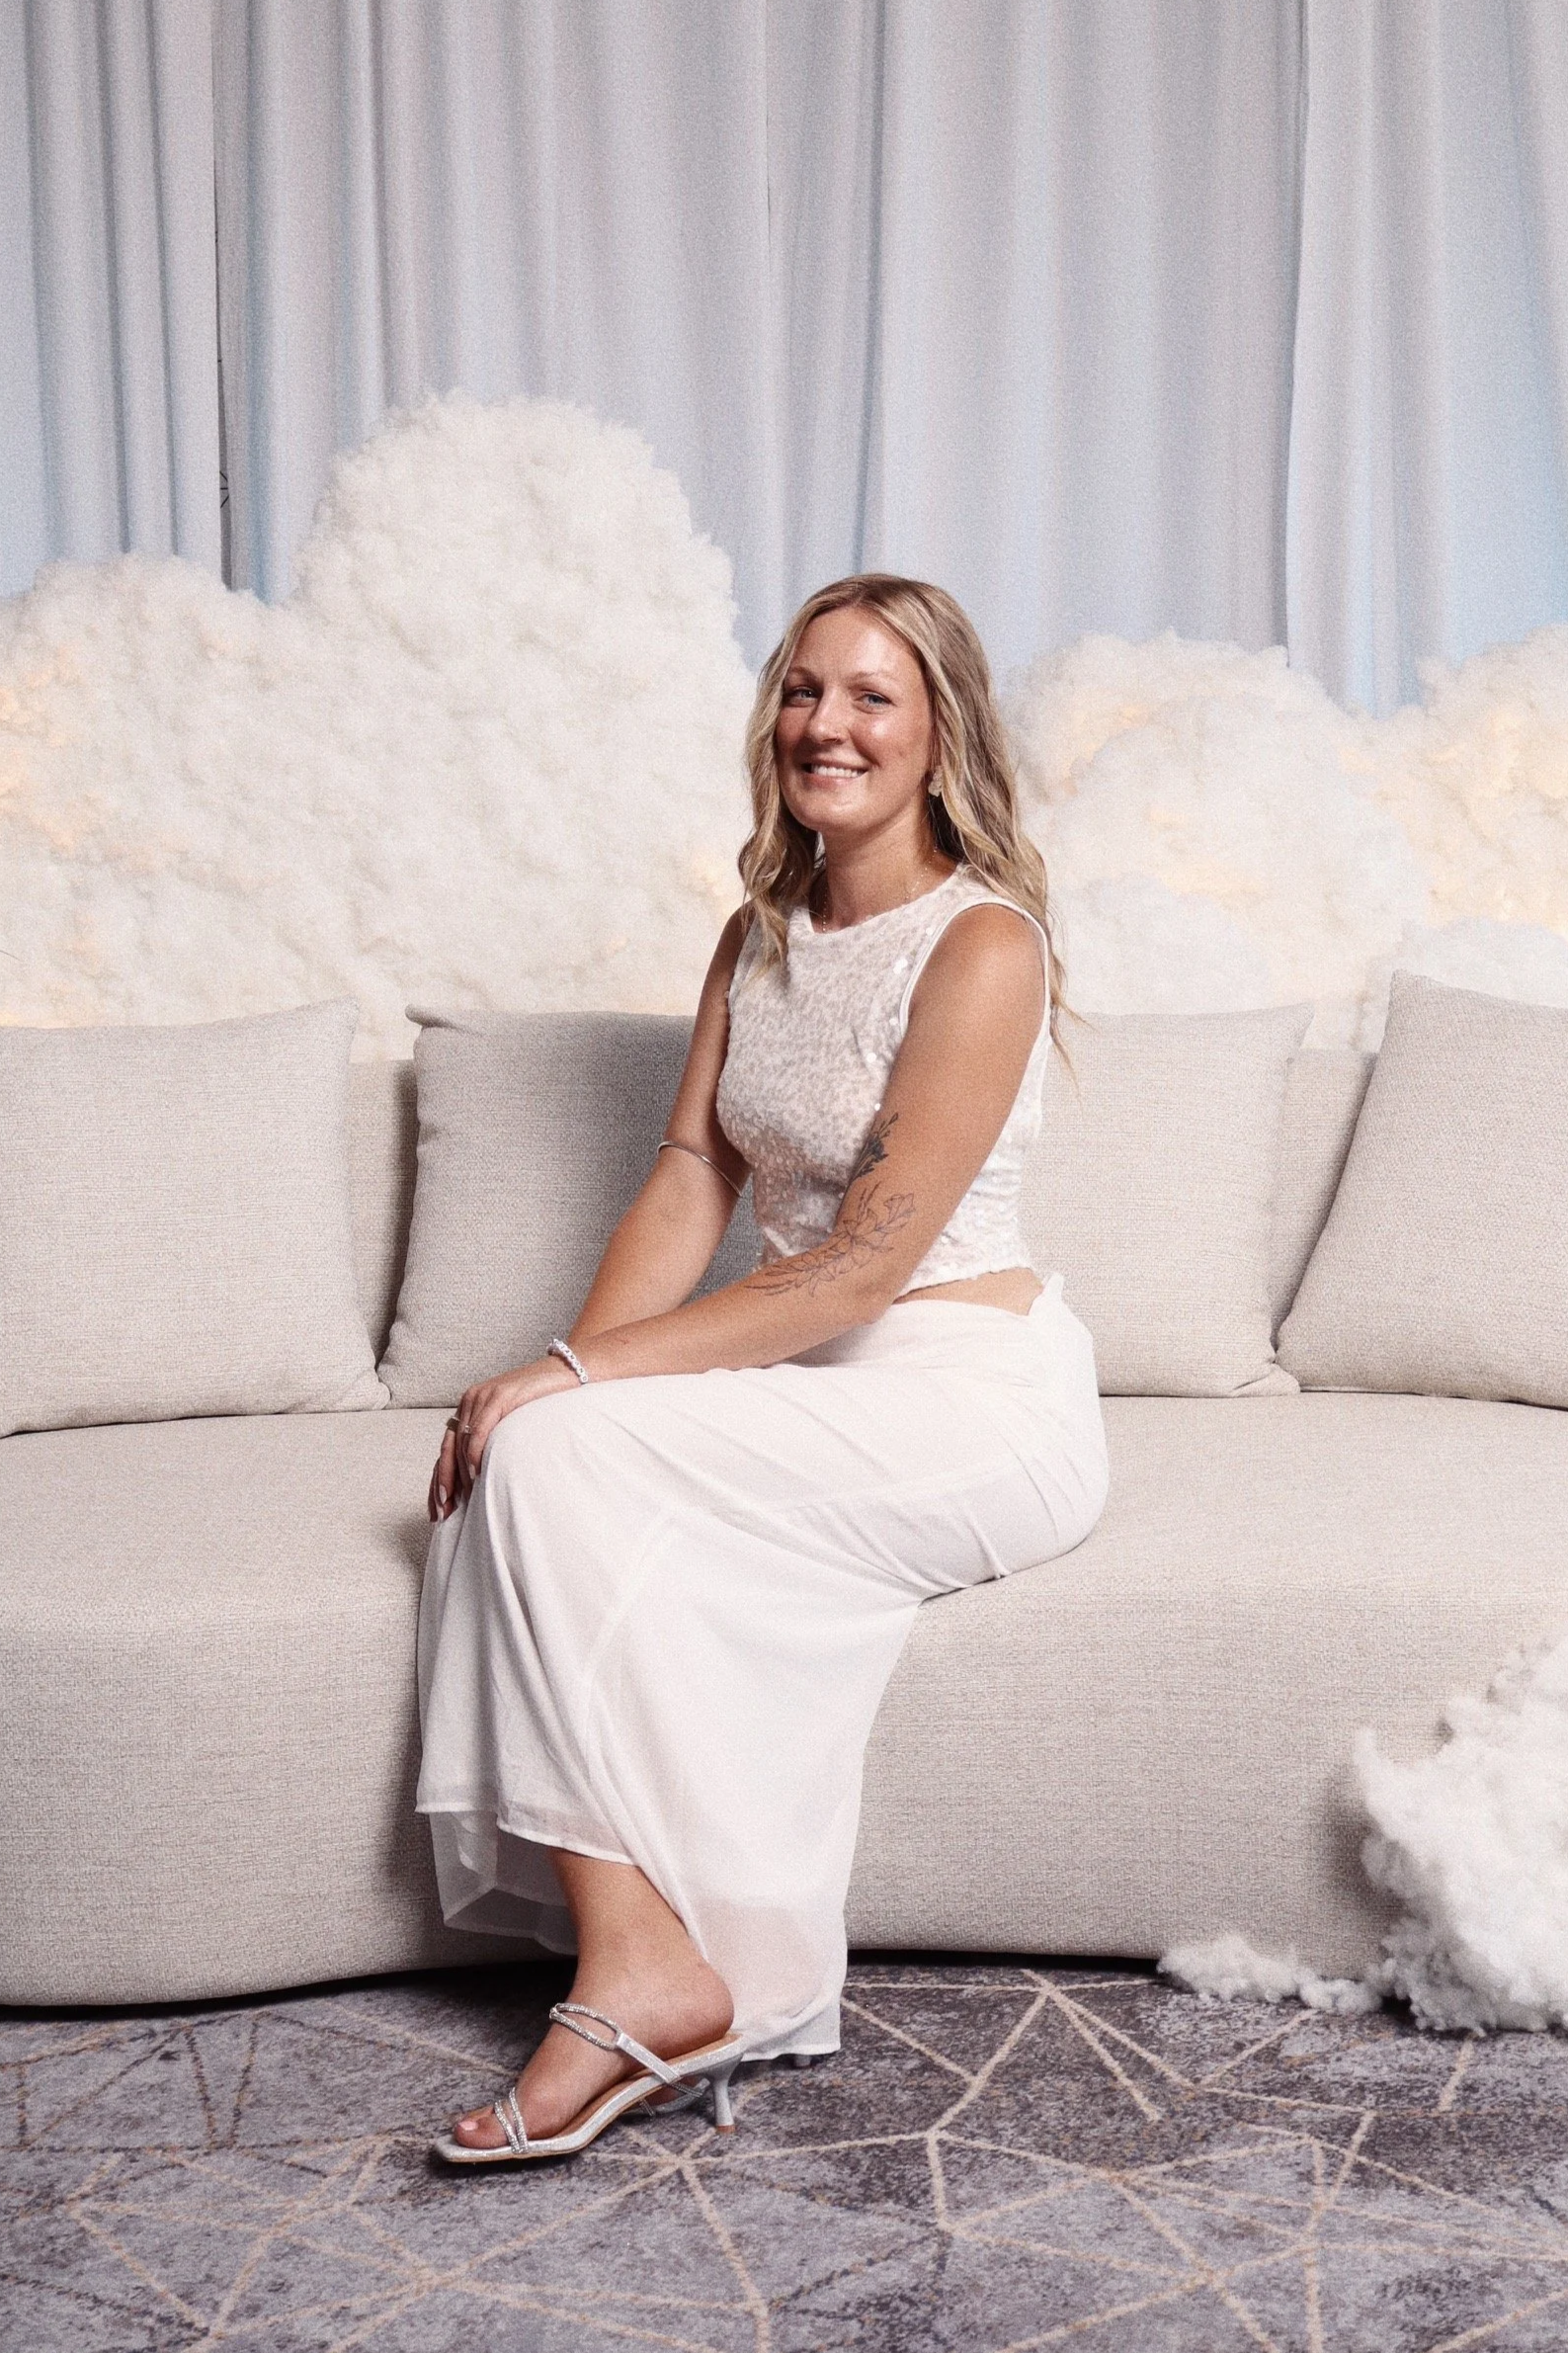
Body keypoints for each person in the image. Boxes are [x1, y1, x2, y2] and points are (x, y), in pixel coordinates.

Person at [417, 573, 1109, 2165]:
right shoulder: (757, 935)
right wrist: (561, 1369)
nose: (827, 726)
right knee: (511, 1459)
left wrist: (585, 1380)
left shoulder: (983, 943)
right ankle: (644, 1953)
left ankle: (653, 1971)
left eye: (871, 696)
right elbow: (688, 1175)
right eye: (803, 691)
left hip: (965, 1393)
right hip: (820, 1376)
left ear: (939, 732)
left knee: (554, 1444)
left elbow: (869, 1262)